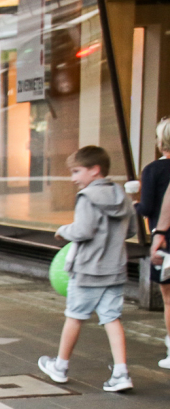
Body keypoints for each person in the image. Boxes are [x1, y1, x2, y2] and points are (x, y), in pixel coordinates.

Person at [38, 146, 136, 393]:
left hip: (88, 269)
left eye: (76, 171)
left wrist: (63, 231)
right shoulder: (121, 195)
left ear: (95, 170)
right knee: (112, 318)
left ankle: (60, 366)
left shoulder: (87, 197)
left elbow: (83, 231)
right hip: (115, 268)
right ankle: (121, 372)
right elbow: (132, 230)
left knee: (75, 316)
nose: (73, 178)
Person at [139, 118, 170, 368]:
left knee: (169, 299)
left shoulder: (153, 170)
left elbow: (148, 207)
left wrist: (133, 202)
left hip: (165, 242)